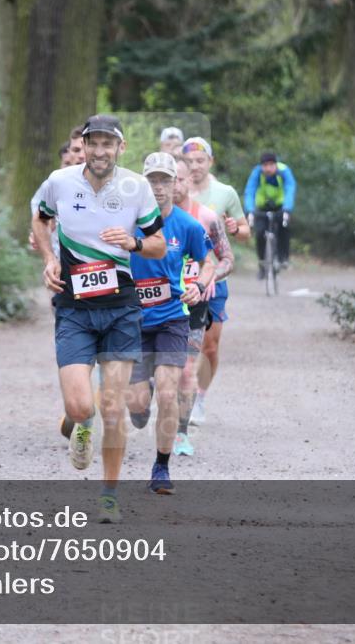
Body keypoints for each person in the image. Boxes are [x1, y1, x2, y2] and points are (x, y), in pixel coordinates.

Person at [32, 114, 166, 523]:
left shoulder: (136, 187)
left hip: (121, 308)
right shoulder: (59, 181)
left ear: (121, 148)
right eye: (94, 143)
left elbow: (159, 244)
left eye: (109, 143)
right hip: (74, 308)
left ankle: (109, 495)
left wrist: (134, 242)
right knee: (78, 406)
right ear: (85, 146)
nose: (100, 150)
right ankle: (82, 423)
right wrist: (50, 258)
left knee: (112, 406)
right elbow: (40, 218)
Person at [125, 152, 214, 494]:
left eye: (165, 180)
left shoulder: (187, 225)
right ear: (143, 183)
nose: (159, 187)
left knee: (167, 392)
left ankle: (161, 468)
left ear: (175, 184)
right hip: (132, 320)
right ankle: (140, 398)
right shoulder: (127, 221)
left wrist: (199, 286)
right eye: (153, 180)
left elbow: (208, 263)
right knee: (137, 406)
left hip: (172, 319)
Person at [170, 158, 235, 456]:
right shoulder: (145, 218)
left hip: (194, 303)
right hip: (155, 301)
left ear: (189, 182)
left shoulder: (206, 217)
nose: (173, 185)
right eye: (168, 179)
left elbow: (227, 258)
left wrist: (208, 278)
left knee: (186, 369)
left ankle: (181, 434)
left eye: (179, 179)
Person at [181, 136, 248, 425]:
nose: (195, 166)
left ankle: (200, 397)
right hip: (178, 281)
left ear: (211, 162)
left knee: (209, 346)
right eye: (189, 161)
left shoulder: (225, 193)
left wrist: (235, 228)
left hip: (213, 282)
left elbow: (245, 231)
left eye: (200, 160)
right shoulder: (174, 189)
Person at [244, 151, 296, 277]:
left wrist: (287, 209)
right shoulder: (257, 173)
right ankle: (262, 262)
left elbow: (290, 189)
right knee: (260, 232)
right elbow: (250, 191)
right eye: (265, 165)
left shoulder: (284, 171)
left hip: (281, 206)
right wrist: (250, 210)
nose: (268, 168)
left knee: (284, 227)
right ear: (261, 166)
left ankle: (283, 258)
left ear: (276, 164)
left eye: (271, 165)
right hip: (262, 206)